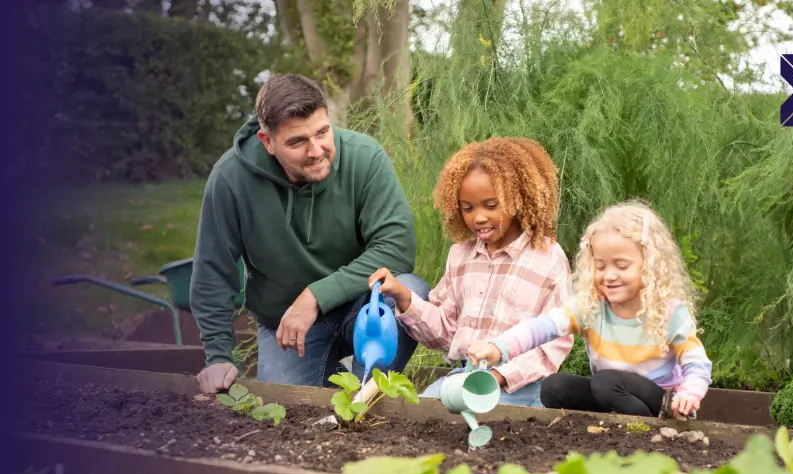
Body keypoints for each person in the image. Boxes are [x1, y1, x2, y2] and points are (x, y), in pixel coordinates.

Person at [190, 73, 429, 394]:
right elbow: (212, 272)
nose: (316, 150)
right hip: (287, 324)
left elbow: (396, 248)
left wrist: (316, 296)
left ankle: (365, 398)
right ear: (267, 141)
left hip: (362, 305)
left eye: (323, 132)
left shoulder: (364, 157)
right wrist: (218, 355)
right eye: (297, 141)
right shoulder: (230, 179)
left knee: (407, 289)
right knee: (285, 417)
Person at [361, 137, 574, 407]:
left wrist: (498, 375)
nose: (478, 217)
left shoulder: (547, 258)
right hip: (465, 376)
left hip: (522, 386)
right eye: (468, 208)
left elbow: (556, 340)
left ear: (519, 198)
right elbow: (446, 331)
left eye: (491, 205)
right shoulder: (461, 256)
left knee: (489, 426)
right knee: (420, 413)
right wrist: (404, 297)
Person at [466, 200, 712, 419]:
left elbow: (696, 361)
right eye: (601, 266)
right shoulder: (591, 306)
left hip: (661, 405)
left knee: (607, 382)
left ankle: (645, 432)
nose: (610, 275)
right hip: (610, 396)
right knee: (554, 386)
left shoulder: (668, 311)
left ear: (650, 266)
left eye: (622, 265)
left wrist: (689, 394)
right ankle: (605, 426)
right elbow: (543, 327)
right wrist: (499, 347)